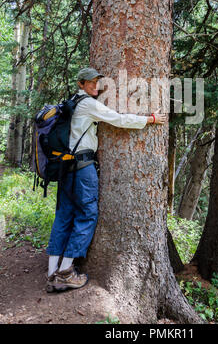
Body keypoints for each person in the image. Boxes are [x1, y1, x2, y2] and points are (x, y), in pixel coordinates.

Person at [46, 67, 166, 292]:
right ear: (81, 84)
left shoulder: (70, 102)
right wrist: (149, 119)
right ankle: (64, 273)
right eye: (90, 82)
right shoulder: (88, 104)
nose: (95, 86)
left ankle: (52, 272)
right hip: (82, 168)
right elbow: (118, 119)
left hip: (66, 168)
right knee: (87, 215)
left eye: (97, 82)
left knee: (64, 216)